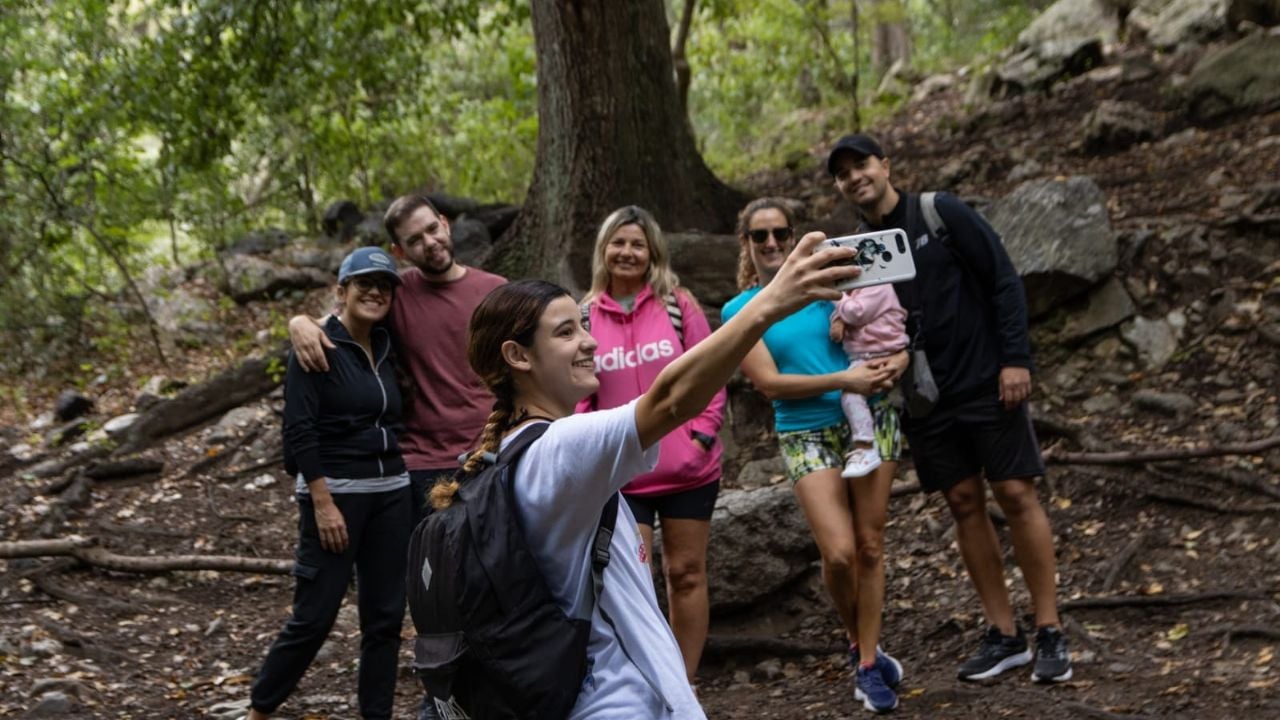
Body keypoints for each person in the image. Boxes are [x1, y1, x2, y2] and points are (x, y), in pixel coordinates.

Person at [426, 230, 882, 719]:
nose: (589, 342)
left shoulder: (510, 454)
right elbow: (671, 399)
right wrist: (769, 303)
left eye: (582, 326)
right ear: (518, 356)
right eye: (565, 333)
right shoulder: (557, 450)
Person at [827, 133, 1072, 683]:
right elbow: (866, 322)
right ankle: (1004, 634)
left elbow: (1003, 280)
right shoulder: (860, 249)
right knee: (963, 503)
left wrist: (1015, 359)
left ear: (885, 165)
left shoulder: (940, 212)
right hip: (922, 397)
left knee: (1015, 493)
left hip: (985, 378)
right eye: (843, 173)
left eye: (862, 164)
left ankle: (1050, 628)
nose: (855, 177)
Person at [721, 198, 908, 714]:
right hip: (804, 431)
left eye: (780, 232)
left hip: (870, 420)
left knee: (869, 546)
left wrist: (899, 358)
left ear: (794, 237)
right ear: (746, 244)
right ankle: (857, 638)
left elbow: (887, 324)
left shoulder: (834, 286)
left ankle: (867, 662)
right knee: (839, 553)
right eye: (760, 235)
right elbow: (770, 384)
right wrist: (843, 379)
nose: (772, 243)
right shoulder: (742, 311)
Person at [248, 247, 411, 720]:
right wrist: (321, 501)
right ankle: (260, 709)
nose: (376, 292)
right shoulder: (317, 344)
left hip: (391, 496)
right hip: (336, 496)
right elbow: (298, 429)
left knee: (384, 620)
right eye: (365, 284)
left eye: (384, 286)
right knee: (314, 617)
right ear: (342, 290)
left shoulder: (386, 345)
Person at [288, 194, 506, 528]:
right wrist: (299, 323)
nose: (430, 243)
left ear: (445, 224)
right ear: (399, 252)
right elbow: (339, 323)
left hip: (489, 453)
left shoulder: (496, 291)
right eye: (415, 240)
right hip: (421, 462)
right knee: (427, 559)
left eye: (432, 229)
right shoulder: (394, 293)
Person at [575, 206, 726, 686]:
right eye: (618, 243)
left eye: (637, 244)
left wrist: (701, 436)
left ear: (652, 252)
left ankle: (683, 684)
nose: (627, 252)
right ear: (603, 250)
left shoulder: (679, 306)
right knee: (632, 585)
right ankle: (645, 683)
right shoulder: (583, 314)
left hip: (689, 471)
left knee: (686, 573)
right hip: (625, 476)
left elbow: (711, 373)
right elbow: (579, 392)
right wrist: (592, 451)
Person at [829, 285, 909, 479]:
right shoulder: (855, 291)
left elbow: (855, 313)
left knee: (851, 395)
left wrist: (835, 294)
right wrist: (837, 321)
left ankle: (865, 447)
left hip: (882, 353)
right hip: (864, 356)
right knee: (852, 394)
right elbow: (846, 312)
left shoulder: (879, 286)